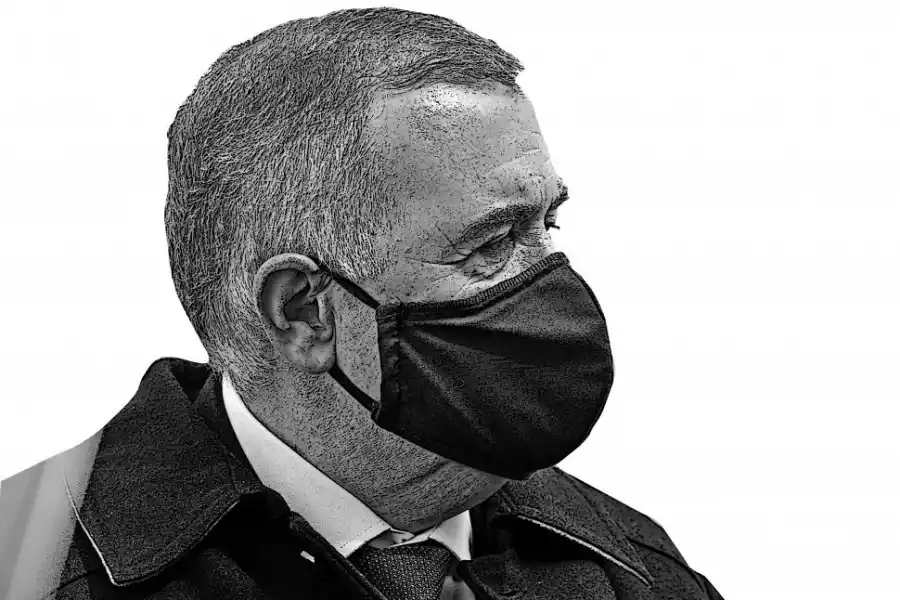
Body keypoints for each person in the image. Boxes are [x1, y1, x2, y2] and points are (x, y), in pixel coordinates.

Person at [0, 8, 725, 600]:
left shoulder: (637, 571)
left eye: (548, 225)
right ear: (303, 313)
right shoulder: (28, 570)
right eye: (491, 245)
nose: (551, 285)